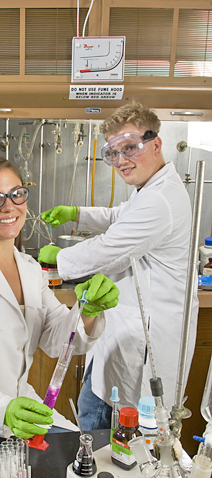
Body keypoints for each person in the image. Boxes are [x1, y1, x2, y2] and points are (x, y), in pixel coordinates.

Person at [0, 155, 119, 441]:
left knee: (79, 455)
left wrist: (87, 312)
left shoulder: (29, 269)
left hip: (23, 406)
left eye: (16, 194)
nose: (9, 206)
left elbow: (57, 340)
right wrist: (3, 411)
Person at [39, 101, 198, 430]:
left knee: (119, 439)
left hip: (143, 344)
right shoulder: (152, 189)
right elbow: (120, 216)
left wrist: (60, 258)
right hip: (124, 332)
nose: (121, 161)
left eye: (130, 148)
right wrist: (77, 213)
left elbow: (111, 249)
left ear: (156, 144)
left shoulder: (160, 199)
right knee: (96, 413)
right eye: (113, 153)